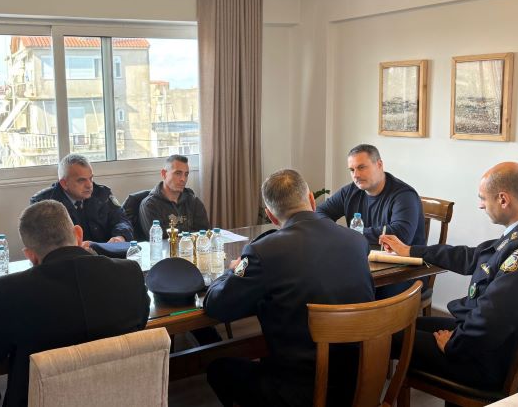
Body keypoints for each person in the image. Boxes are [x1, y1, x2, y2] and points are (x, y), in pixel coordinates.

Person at [380, 162, 518, 390]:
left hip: (490, 362)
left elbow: (494, 316)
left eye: (483, 198)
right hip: (502, 348)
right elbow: (473, 256)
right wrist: (411, 250)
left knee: (384, 337)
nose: (480, 205)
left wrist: (455, 344)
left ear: (503, 199)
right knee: (404, 325)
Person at [204, 169, 375, 406]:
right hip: (360, 383)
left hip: (299, 392)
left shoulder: (263, 251)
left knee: (219, 369)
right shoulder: (356, 240)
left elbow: (217, 306)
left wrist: (231, 271)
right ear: (312, 200)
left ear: (271, 216)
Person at [0, 200, 150, 407]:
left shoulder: (12, 290)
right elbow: (141, 323)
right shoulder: (129, 273)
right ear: (78, 234)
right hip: (120, 397)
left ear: (30, 255)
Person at [317, 143, 426, 297]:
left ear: (379, 164)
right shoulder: (350, 191)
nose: (356, 175)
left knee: (350, 292)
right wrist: (341, 233)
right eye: (352, 170)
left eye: (361, 167)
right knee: (326, 283)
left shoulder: (404, 195)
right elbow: (320, 212)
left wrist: (350, 234)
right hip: (365, 264)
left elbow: (401, 234)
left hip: (403, 273)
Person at [30, 153, 134, 245]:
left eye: (91, 178)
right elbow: (44, 242)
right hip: (67, 257)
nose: (89, 185)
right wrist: (77, 248)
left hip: (103, 254)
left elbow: (122, 220)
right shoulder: (44, 203)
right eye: (81, 180)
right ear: (64, 183)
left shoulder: (102, 194)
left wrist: (120, 237)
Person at [139, 154, 210, 237]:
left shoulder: (193, 201)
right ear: (164, 174)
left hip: (192, 245)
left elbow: (204, 233)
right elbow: (159, 239)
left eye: (186, 174)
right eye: (178, 173)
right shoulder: (150, 205)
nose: (183, 179)